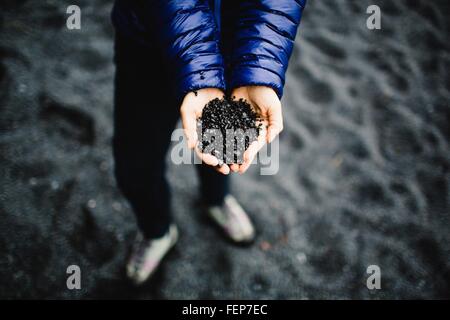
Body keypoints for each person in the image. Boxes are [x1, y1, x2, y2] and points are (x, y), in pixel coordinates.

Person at [111, 0, 306, 284]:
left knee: (220, 150)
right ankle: (156, 231)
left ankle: (216, 200)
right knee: (136, 160)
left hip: (238, 44)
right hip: (146, 41)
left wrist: (261, 72)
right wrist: (199, 70)